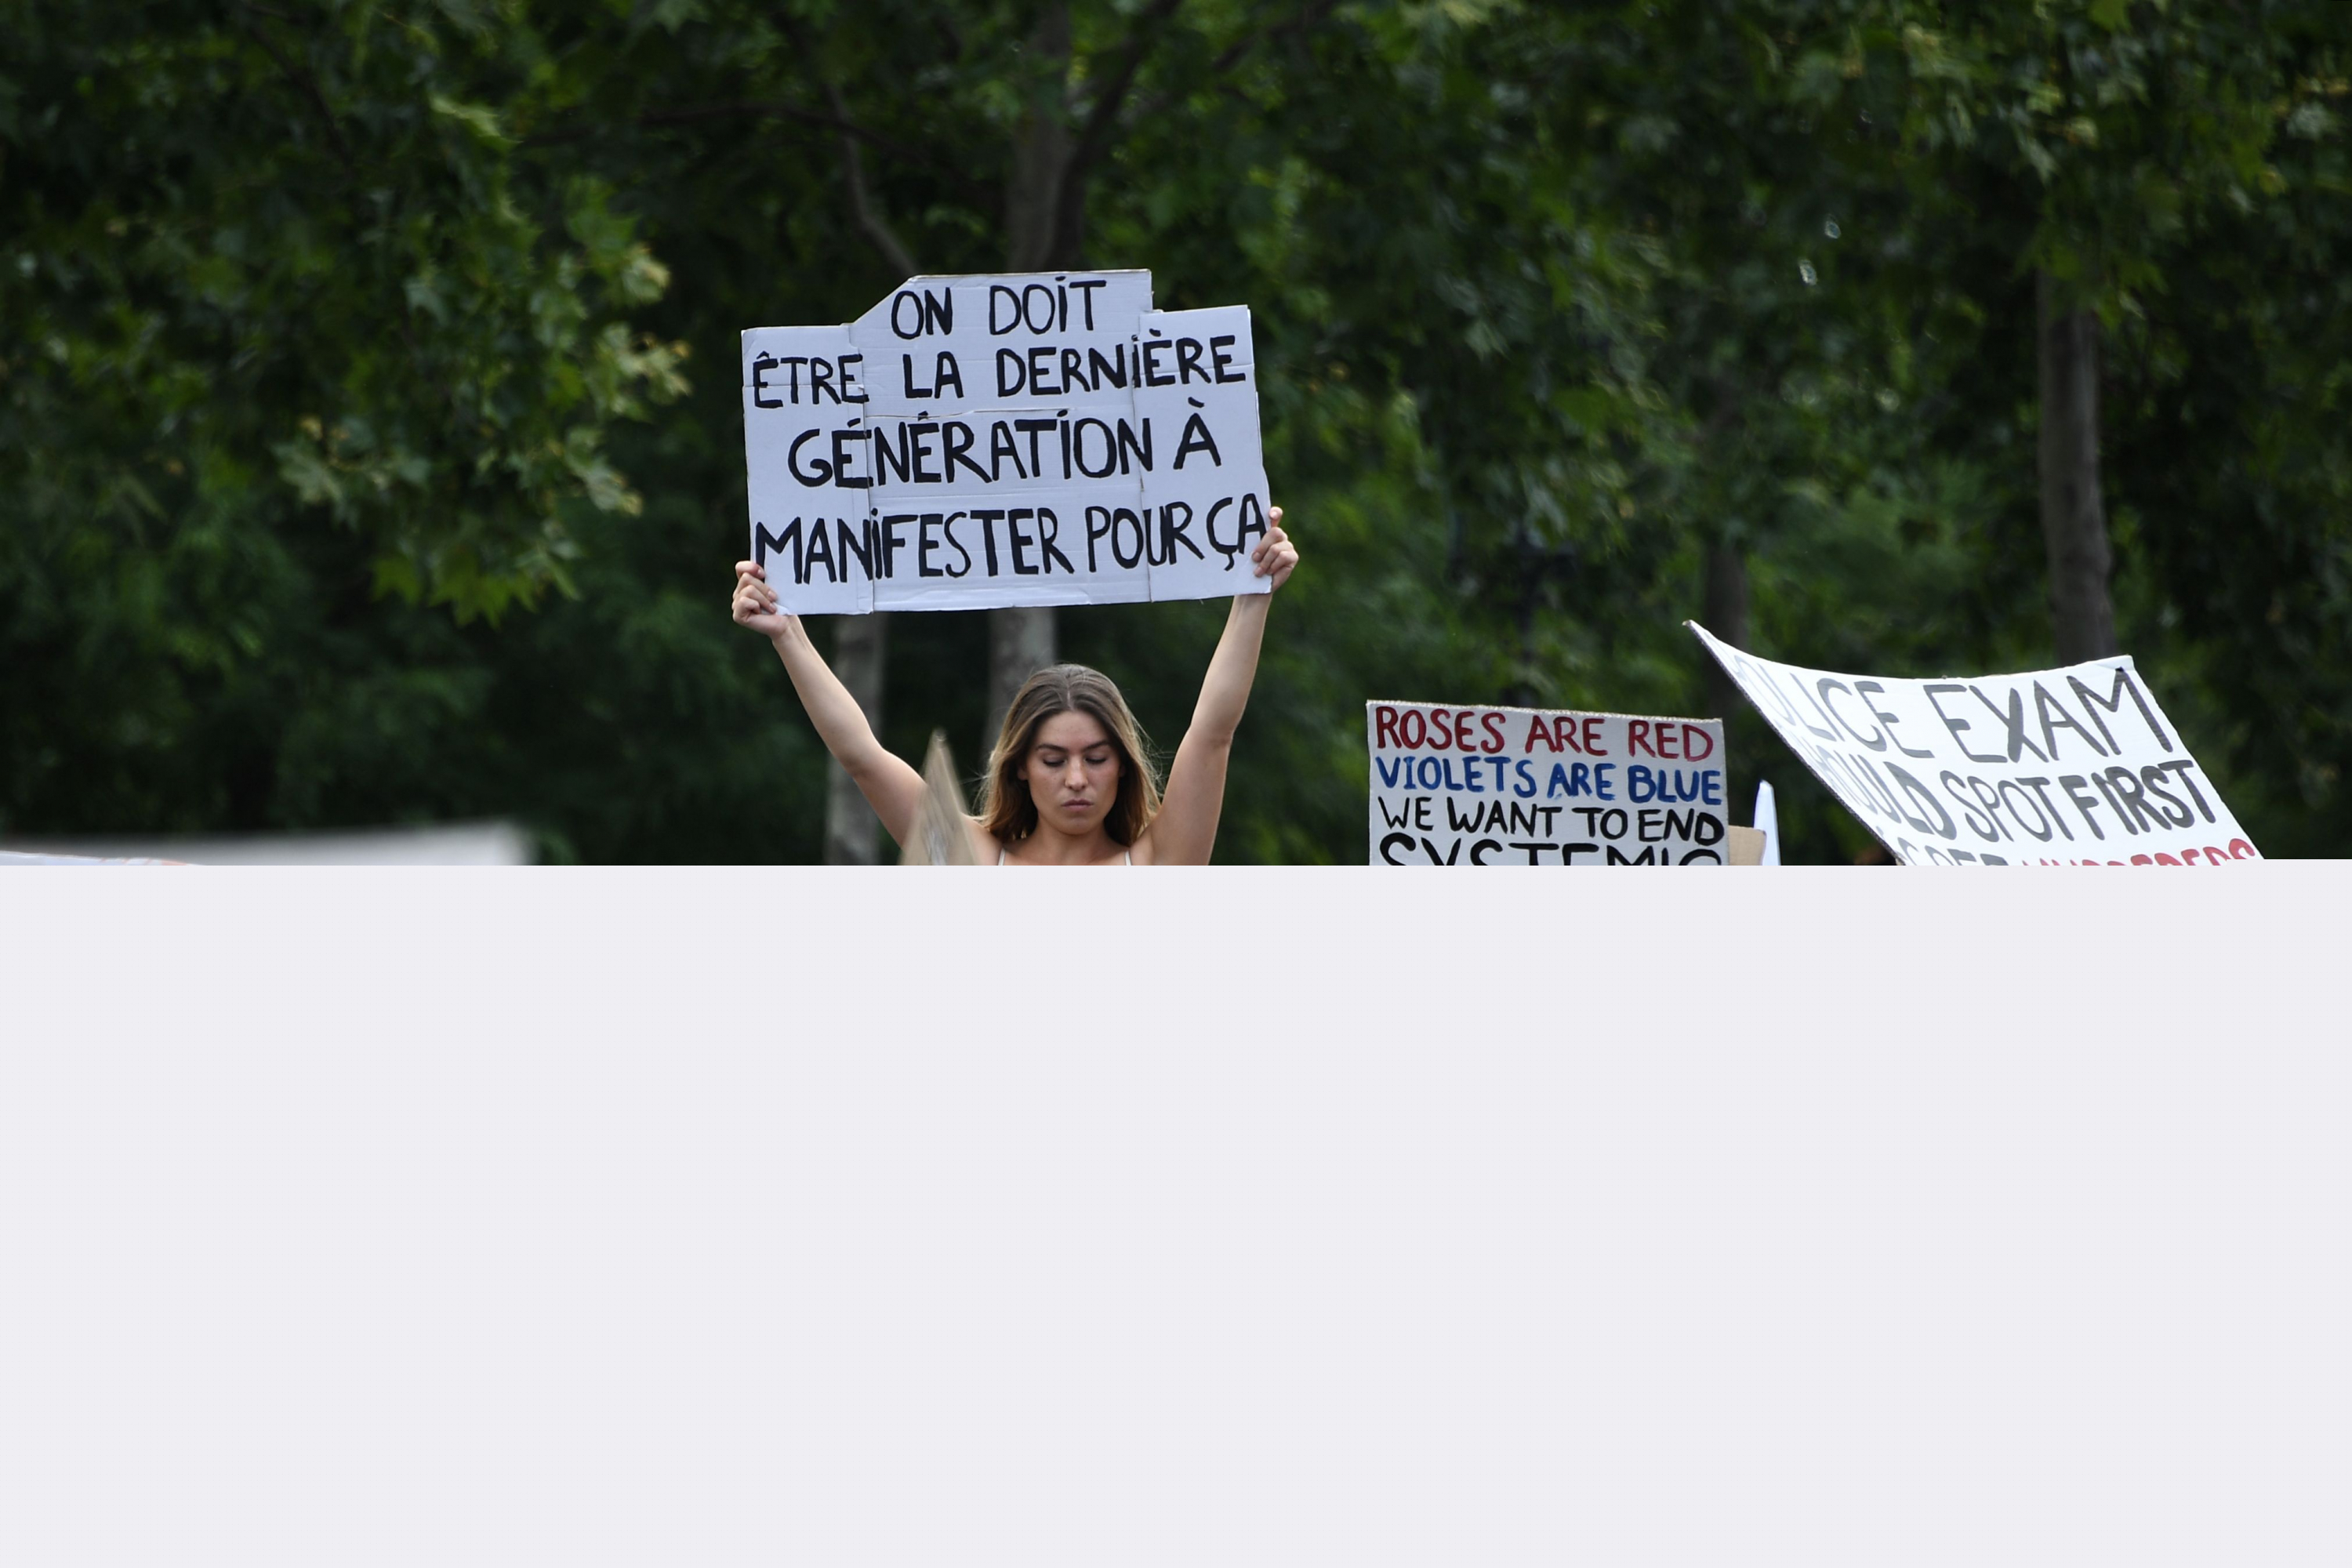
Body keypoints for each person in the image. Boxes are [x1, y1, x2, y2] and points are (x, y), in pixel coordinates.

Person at [730, 509, 1300, 866]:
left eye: (1096, 758)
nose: (1077, 779)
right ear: (1020, 766)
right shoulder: (974, 858)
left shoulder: (1159, 860)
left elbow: (1213, 732)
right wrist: (788, 635)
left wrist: (1253, 595)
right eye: (1054, 759)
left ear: (1123, 764)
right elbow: (861, 756)